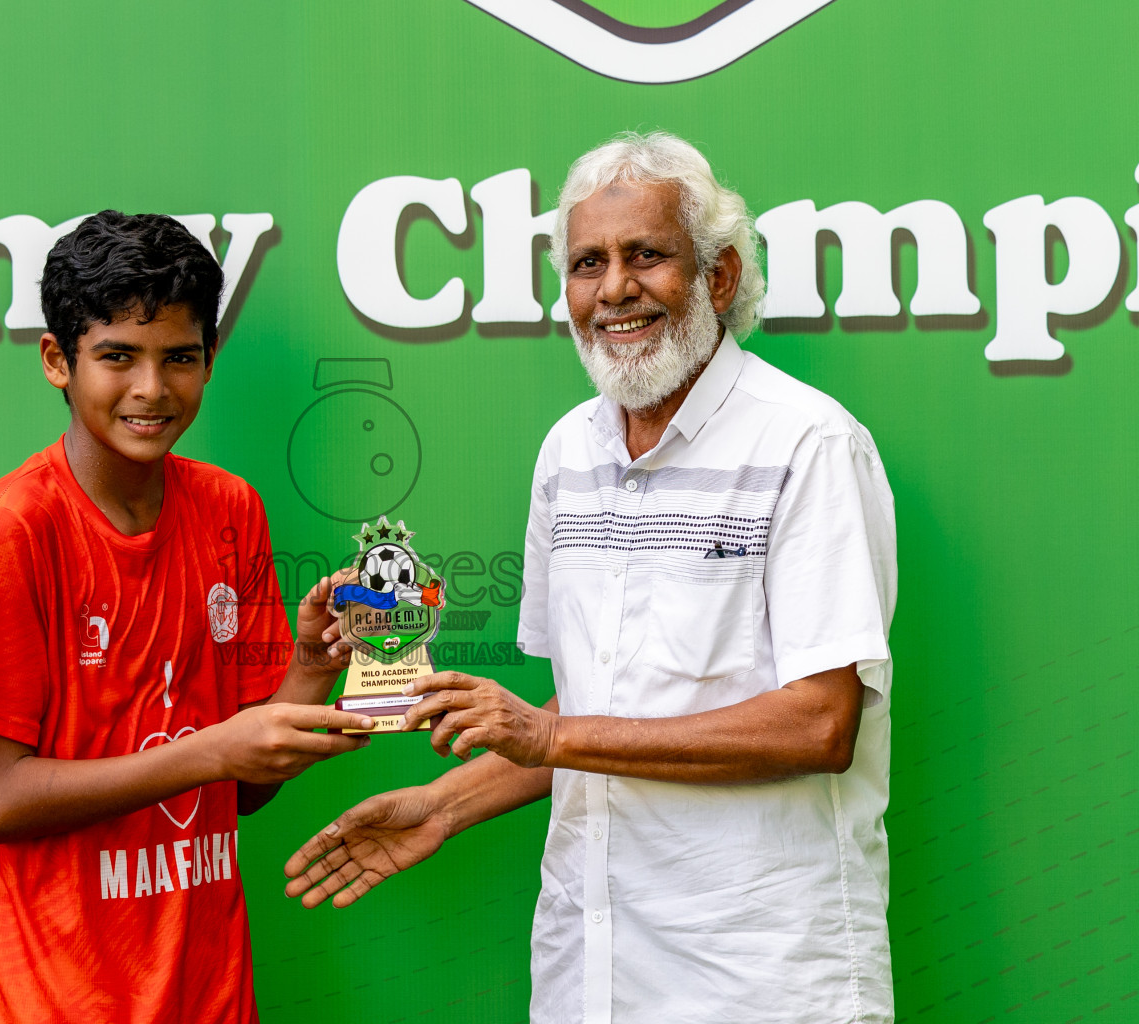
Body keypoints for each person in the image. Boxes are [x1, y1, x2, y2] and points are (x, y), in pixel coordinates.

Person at [284, 132, 898, 1024]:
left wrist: (545, 737)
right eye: (587, 263)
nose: (613, 289)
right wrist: (442, 806)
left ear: (718, 278)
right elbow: (581, 717)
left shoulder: (806, 443)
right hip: (591, 974)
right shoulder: (569, 453)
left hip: (761, 978)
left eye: (646, 255)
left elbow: (819, 722)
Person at [0, 210, 374, 1023]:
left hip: (208, 994)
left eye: (179, 357)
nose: (151, 389)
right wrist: (211, 751)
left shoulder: (229, 508)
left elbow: (241, 791)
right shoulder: (14, 527)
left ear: (208, 362)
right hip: (50, 1001)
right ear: (56, 361)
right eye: (117, 357)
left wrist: (313, 672)